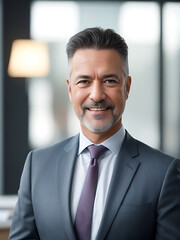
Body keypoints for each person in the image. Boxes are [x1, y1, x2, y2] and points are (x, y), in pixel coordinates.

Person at [9, 27, 180, 240]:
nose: (97, 95)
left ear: (127, 87)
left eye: (109, 81)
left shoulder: (163, 173)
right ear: (70, 89)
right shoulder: (37, 165)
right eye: (84, 81)